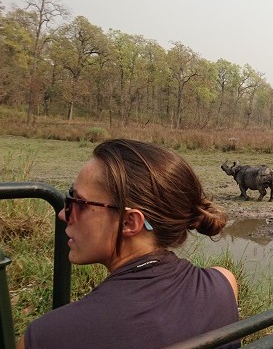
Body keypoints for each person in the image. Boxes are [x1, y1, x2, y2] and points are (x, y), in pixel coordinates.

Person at [18, 139, 240, 349]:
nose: (62, 215)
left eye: (77, 203)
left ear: (129, 222)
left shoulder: (45, 337)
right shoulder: (224, 284)